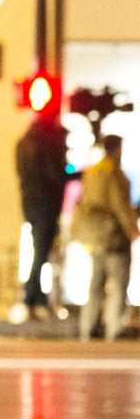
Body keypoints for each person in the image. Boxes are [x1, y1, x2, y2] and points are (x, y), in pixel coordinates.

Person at [72, 134, 139, 342]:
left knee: (96, 284)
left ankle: (88, 326)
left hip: (95, 236)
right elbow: (119, 204)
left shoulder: (92, 172)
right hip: (114, 235)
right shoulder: (114, 174)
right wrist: (131, 229)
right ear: (116, 149)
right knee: (118, 284)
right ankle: (114, 328)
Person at [16, 111, 73, 320]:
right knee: (41, 251)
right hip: (45, 203)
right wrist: (72, 173)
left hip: (31, 203)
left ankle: (37, 295)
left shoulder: (23, 143)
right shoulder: (46, 145)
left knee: (39, 250)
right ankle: (32, 296)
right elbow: (54, 174)